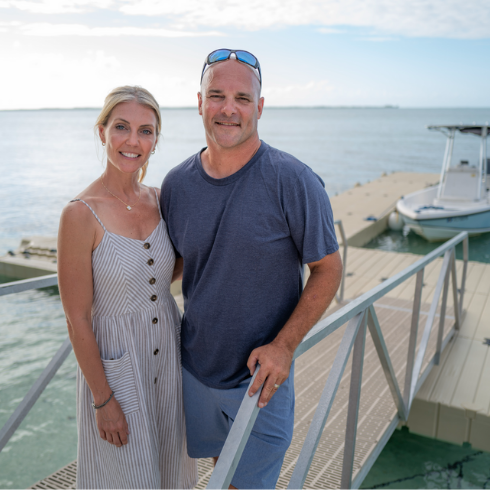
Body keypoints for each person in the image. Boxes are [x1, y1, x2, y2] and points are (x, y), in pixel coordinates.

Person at [161, 49, 343, 489]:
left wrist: (284, 347)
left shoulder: (293, 180)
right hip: (193, 367)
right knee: (222, 472)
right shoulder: (175, 184)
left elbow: (328, 270)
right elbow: (176, 264)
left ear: (259, 107)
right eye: (217, 95)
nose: (229, 108)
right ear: (199, 101)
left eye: (242, 98)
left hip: (261, 381)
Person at [57, 86, 197, 489]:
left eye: (146, 131)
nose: (133, 141)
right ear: (102, 132)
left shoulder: (161, 199)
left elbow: (169, 268)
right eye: (121, 127)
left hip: (170, 360)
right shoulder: (80, 215)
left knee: (174, 474)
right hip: (117, 370)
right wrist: (103, 400)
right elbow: (77, 318)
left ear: (155, 140)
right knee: (125, 478)